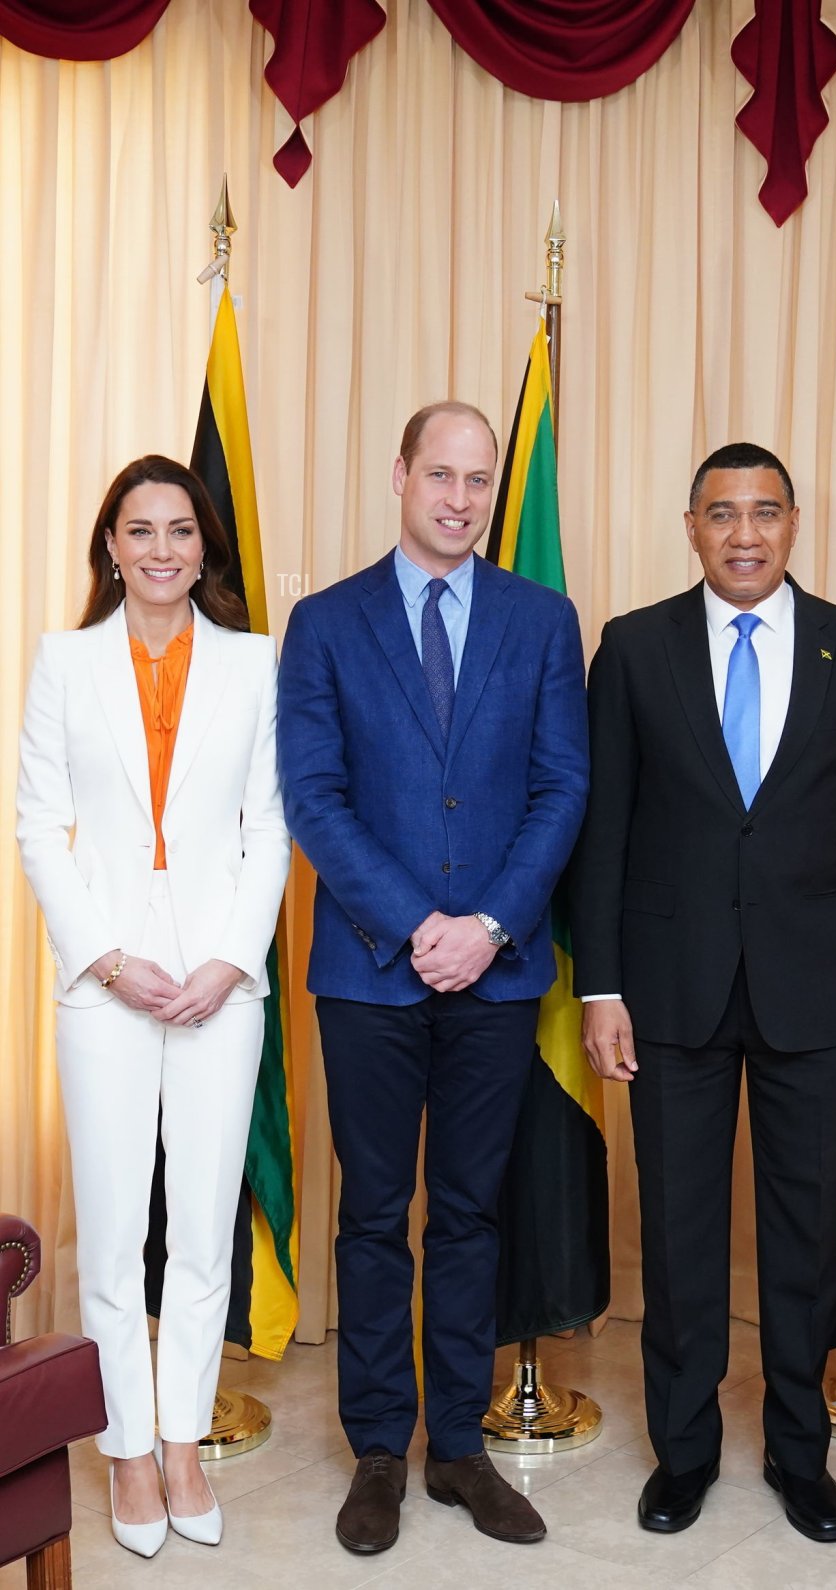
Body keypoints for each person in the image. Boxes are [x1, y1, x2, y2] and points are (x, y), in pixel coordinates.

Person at [570, 442, 836, 1543]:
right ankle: (684, 1454)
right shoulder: (632, 648)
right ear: (691, 526)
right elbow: (605, 833)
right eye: (723, 514)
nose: (746, 534)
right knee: (677, 1235)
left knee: (804, 1236)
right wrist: (602, 988)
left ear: (796, 522)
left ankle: (800, 1458)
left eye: (766, 512)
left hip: (817, 990)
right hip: (670, 991)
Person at [277, 400, 588, 1555]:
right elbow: (315, 796)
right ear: (400, 474)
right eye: (440, 475)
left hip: (499, 978)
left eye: (477, 478)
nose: (460, 499)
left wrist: (492, 923)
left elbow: (563, 787)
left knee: (467, 1213)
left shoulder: (543, 619)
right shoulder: (324, 623)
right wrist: (418, 925)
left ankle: (456, 1448)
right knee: (371, 1216)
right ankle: (376, 1449)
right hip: (368, 975)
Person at [16, 456, 291, 1558]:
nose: (163, 550)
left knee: (203, 1227)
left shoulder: (256, 664)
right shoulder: (64, 661)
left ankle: (185, 1439)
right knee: (118, 1229)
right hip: (108, 982)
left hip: (222, 982)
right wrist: (108, 958)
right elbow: (39, 824)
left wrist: (230, 959)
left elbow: (269, 826)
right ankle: (127, 1447)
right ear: (111, 547)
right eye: (141, 531)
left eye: (181, 530)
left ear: (205, 548)